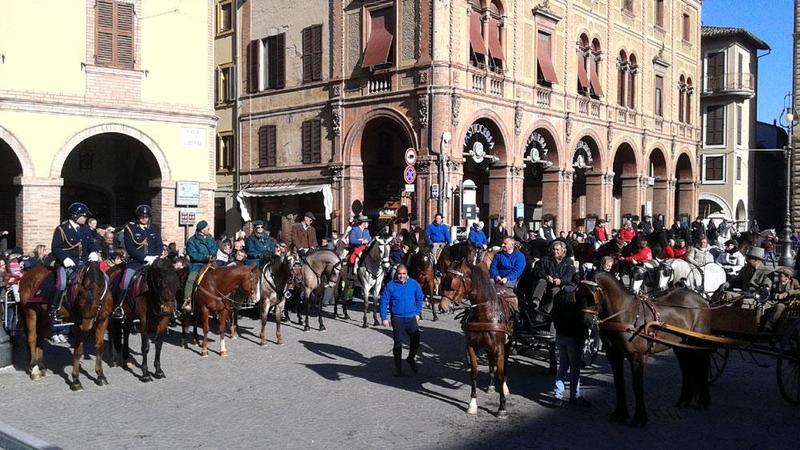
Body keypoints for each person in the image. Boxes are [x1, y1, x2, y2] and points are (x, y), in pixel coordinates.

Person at [49, 202, 102, 321]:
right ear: (75, 216)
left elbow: (91, 243)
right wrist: (64, 258)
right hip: (67, 263)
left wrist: (93, 252)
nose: (85, 218)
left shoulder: (86, 229)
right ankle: (54, 308)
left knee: (103, 279)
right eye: (83, 216)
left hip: (83, 263)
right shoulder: (62, 229)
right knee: (61, 283)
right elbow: (55, 248)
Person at [551, 283, 592, 407]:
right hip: (574, 336)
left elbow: (553, 314)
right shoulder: (579, 297)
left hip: (560, 334)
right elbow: (585, 319)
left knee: (563, 366)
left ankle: (558, 396)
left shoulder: (559, 295)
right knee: (575, 368)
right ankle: (574, 396)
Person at [380, 264, 424, 376]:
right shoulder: (390, 285)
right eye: (399, 274)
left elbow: (420, 297)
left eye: (404, 274)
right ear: (396, 274)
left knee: (416, 341)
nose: (402, 276)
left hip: (411, 317)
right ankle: (398, 367)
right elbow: (384, 301)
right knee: (398, 343)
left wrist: (418, 312)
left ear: (407, 273)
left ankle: (410, 358)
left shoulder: (413, 284)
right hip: (397, 318)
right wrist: (384, 317)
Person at [120, 204, 163, 318]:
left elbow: (159, 245)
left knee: (167, 281)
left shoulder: (154, 228)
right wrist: (144, 258)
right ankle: (120, 306)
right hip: (136, 262)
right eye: (142, 216)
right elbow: (130, 248)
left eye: (146, 216)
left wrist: (156, 257)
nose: (144, 218)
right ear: (138, 217)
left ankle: (170, 309)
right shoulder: (130, 228)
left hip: (153, 262)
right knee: (125, 282)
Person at [531, 240, 577, 318]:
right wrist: (546, 276)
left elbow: (569, 276)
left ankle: (545, 312)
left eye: (557, 250)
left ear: (563, 251)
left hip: (559, 285)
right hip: (546, 282)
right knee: (542, 281)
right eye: (553, 249)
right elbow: (538, 271)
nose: (555, 251)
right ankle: (535, 302)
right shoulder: (545, 259)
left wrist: (561, 280)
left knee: (555, 291)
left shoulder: (569, 262)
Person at [181, 220, 218, 312]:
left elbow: (214, 248)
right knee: (191, 279)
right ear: (201, 230)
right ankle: (187, 300)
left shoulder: (210, 238)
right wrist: (205, 258)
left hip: (211, 263)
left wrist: (212, 256)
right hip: (197, 264)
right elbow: (193, 254)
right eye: (207, 228)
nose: (209, 229)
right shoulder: (192, 241)